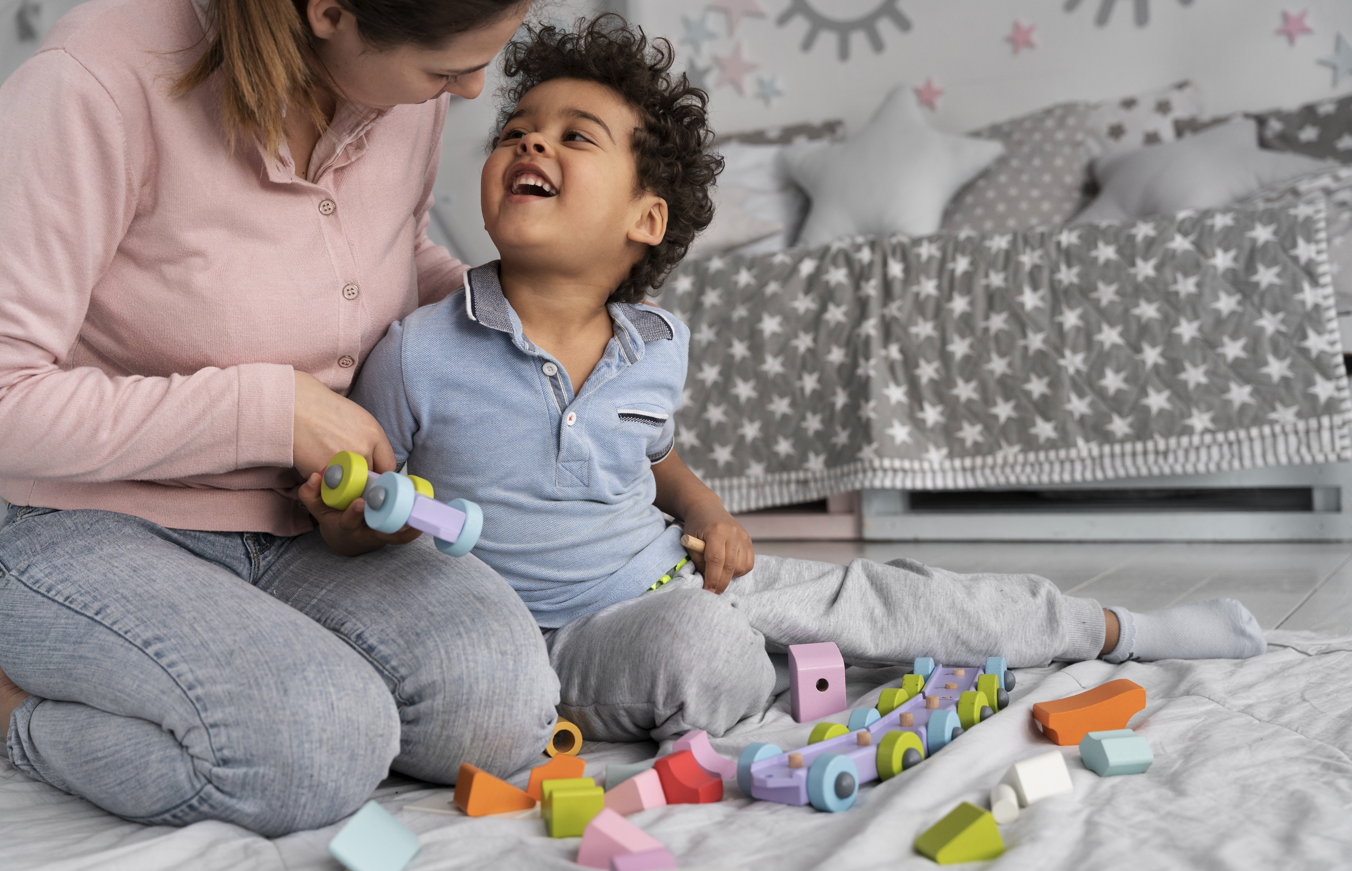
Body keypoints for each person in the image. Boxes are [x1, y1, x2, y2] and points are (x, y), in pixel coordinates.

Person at [342, 15, 1267, 746]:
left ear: (647, 218)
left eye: (573, 137)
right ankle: (785, 670)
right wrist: (365, 511)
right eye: (515, 132)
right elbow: (359, 508)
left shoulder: (656, 344)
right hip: (528, 643)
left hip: (661, 576)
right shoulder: (420, 350)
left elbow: (652, 455)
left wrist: (708, 515)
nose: (530, 146)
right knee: (701, 657)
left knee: (891, 595)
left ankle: (1115, 629)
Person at [0, 0, 560, 837]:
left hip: (301, 517)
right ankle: (12, 710)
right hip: (83, 514)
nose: (476, 89)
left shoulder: (402, 95)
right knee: (311, 749)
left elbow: (386, 254)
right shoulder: (97, 80)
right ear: (330, 12)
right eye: (446, 71)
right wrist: (268, 409)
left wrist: (516, 316)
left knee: (503, 702)